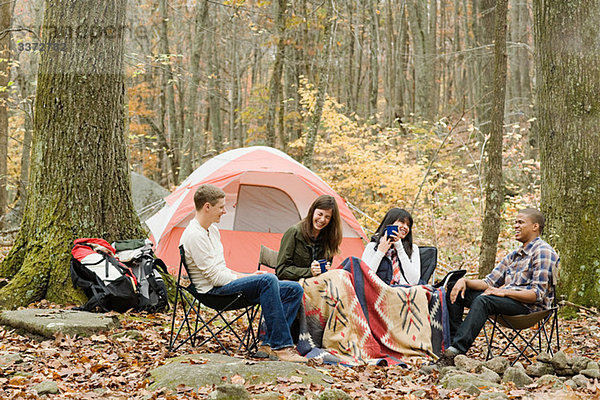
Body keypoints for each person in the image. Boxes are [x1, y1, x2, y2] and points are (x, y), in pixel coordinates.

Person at [179, 184, 307, 363]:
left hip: (223, 285)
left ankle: (268, 344)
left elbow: (221, 269)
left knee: (293, 289)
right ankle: (282, 347)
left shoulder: (212, 231)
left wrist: (248, 275)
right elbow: (215, 278)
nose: (224, 211)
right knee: (267, 280)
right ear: (207, 206)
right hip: (213, 293)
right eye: (221, 207)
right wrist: (250, 278)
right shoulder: (194, 235)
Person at [436, 208, 559, 367]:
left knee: (484, 300)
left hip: (529, 308)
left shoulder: (543, 251)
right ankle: (451, 348)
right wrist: (464, 281)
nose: (515, 226)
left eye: (520, 222)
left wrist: (502, 292)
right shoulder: (513, 255)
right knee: (456, 288)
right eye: (515, 222)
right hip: (507, 301)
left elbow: (536, 295)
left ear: (535, 226)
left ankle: (455, 352)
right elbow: (488, 283)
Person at [276, 195, 343, 281]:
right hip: (293, 285)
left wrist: (324, 268)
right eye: (320, 214)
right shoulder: (294, 232)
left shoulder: (329, 237)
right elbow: (281, 270)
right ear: (312, 211)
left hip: (316, 284)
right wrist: (309, 271)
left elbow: (323, 267)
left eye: (327, 217)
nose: (322, 219)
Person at [361, 208, 421, 286]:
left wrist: (400, 248)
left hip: (404, 292)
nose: (405, 227)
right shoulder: (372, 246)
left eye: (408, 225)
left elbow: (414, 281)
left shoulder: (413, 249)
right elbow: (364, 278)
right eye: (402, 222)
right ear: (390, 223)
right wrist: (380, 252)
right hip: (380, 291)